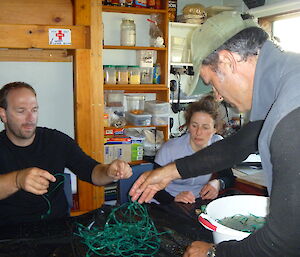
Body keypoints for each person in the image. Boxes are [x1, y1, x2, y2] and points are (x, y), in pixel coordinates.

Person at [130, 11, 300, 257]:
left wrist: (214, 253)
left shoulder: (290, 116)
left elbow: (284, 241)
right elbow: (240, 143)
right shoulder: (288, 75)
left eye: (212, 83)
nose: (217, 96)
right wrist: (170, 171)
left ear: (228, 62)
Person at [0, 81, 132, 226]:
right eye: (21, 111)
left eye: (34, 110)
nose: (30, 118)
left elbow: (91, 171)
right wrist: (17, 180)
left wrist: (109, 172)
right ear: (3, 114)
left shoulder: (56, 140)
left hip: (58, 228)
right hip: (9, 232)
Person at [153, 95, 235, 204]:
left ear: (215, 129)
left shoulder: (217, 145)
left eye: (205, 127)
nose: (198, 132)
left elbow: (229, 177)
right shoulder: (170, 149)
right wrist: (174, 199)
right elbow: (152, 187)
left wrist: (218, 183)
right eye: (194, 125)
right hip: (166, 202)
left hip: (197, 202)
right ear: (188, 124)